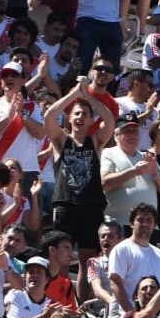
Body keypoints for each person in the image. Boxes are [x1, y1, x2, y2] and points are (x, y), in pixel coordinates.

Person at [44, 78, 115, 303]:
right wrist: (75, 93)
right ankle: (61, 302)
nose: (80, 117)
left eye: (85, 114)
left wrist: (89, 97)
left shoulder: (95, 141)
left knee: (87, 259)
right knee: (61, 258)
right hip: (65, 203)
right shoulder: (61, 140)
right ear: (69, 118)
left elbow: (110, 119)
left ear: (90, 119)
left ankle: (82, 305)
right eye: (76, 114)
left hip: (92, 205)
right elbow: (49, 117)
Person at [0, 61, 45, 196]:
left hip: (26, 169)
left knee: (26, 214)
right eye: (5, 75)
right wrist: (6, 119)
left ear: (23, 80)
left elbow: (40, 133)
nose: (9, 78)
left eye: (14, 75)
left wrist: (22, 115)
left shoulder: (33, 106)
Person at [101, 114, 160, 229]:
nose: (132, 134)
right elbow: (104, 183)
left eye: (135, 130)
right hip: (119, 225)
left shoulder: (147, 156)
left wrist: (156, 173)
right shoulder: (109, 153)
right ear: (116, 135)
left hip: (148, 228)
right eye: (126, 131)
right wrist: (134, 171)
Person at [108, 203, 160, 318]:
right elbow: (115, 283)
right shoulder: (122, 249)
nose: (145, 224)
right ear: (132, 224)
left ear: (154, 225)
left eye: (149, 220)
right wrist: (132, 315)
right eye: (140, 220)